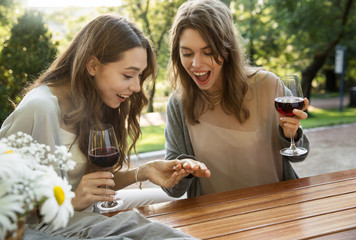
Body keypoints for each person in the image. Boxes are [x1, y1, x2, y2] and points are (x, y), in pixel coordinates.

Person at [0, 14, 208, 239]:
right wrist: (70, 200)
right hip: (40, 229)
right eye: (128, 75)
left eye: (140, 76)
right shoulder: (40, 108)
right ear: (92, 65)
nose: (137, 87)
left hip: (83, 215)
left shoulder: (91, 103)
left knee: (162, 218)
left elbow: (91, 184)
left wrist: (143, 171)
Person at [162, 0, 310, 199]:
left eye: (208, 52)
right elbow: (173, 189)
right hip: (217, 221)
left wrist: (291, 133)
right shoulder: (179, 102)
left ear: (226, 48)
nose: (196, 64)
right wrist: (183, 170)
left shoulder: (267, 85)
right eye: (187, 53)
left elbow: (301, 154)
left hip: (276, 213)